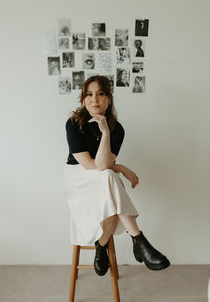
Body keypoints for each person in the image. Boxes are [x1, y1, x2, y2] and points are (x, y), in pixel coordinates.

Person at [64, 75, 170, 276]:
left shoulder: (117, 129)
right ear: (83, 99)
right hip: (78, 178)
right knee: (110, 177)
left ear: (109, 99)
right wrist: (120, 167)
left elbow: (103, 166)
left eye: (101, 94)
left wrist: (105, 132)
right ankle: (138, 240)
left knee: (108, 180)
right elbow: (89, 165)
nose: (94, 99)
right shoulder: (73, 123)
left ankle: (102, 246)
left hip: (103, 177)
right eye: (89, 94)